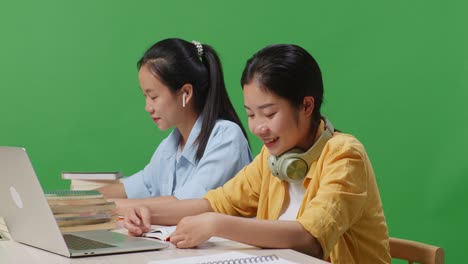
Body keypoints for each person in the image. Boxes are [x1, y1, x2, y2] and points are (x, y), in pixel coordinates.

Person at [123, 44, 391, 263]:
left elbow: (309, 239)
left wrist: (216, 224)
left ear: (307, 105)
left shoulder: (344, 155)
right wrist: (146, 212)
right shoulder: (271, 158)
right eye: (251, 114)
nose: (258, 127)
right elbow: (212, 203)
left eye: (270, 113)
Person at [99, 38, 252, 212]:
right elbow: (132, 187)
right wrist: (73, 203)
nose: (147, 107)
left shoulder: (226, 138)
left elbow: (185, 206)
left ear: (186, 93)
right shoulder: (169, 147)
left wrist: (107, 207)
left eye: (154, 97)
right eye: (145, 97)